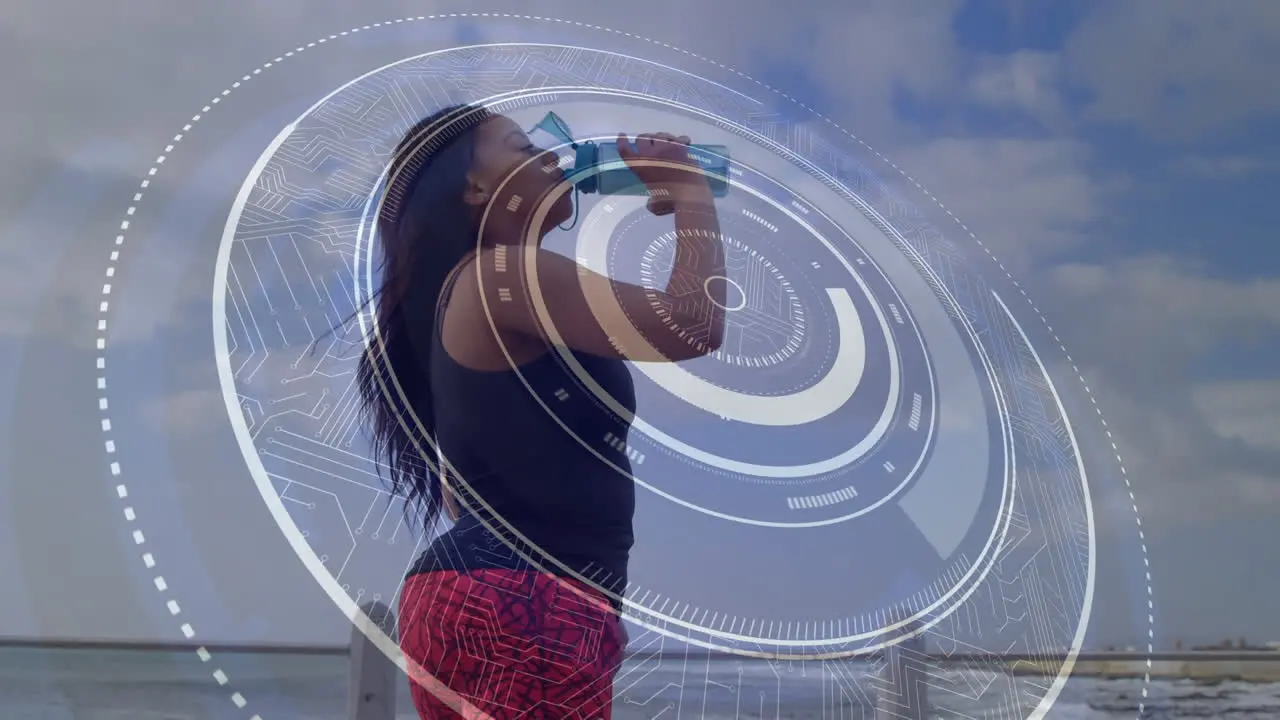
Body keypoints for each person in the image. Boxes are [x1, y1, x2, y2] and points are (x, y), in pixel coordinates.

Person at [356, 102, 726, 719]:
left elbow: (460, 491)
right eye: (522, 148)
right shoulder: (504, 273)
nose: (553, 156)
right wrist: (690, 194)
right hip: (523, 600)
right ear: (475, 189)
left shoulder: (471, 297)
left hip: (491, 595)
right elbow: (689, 323)